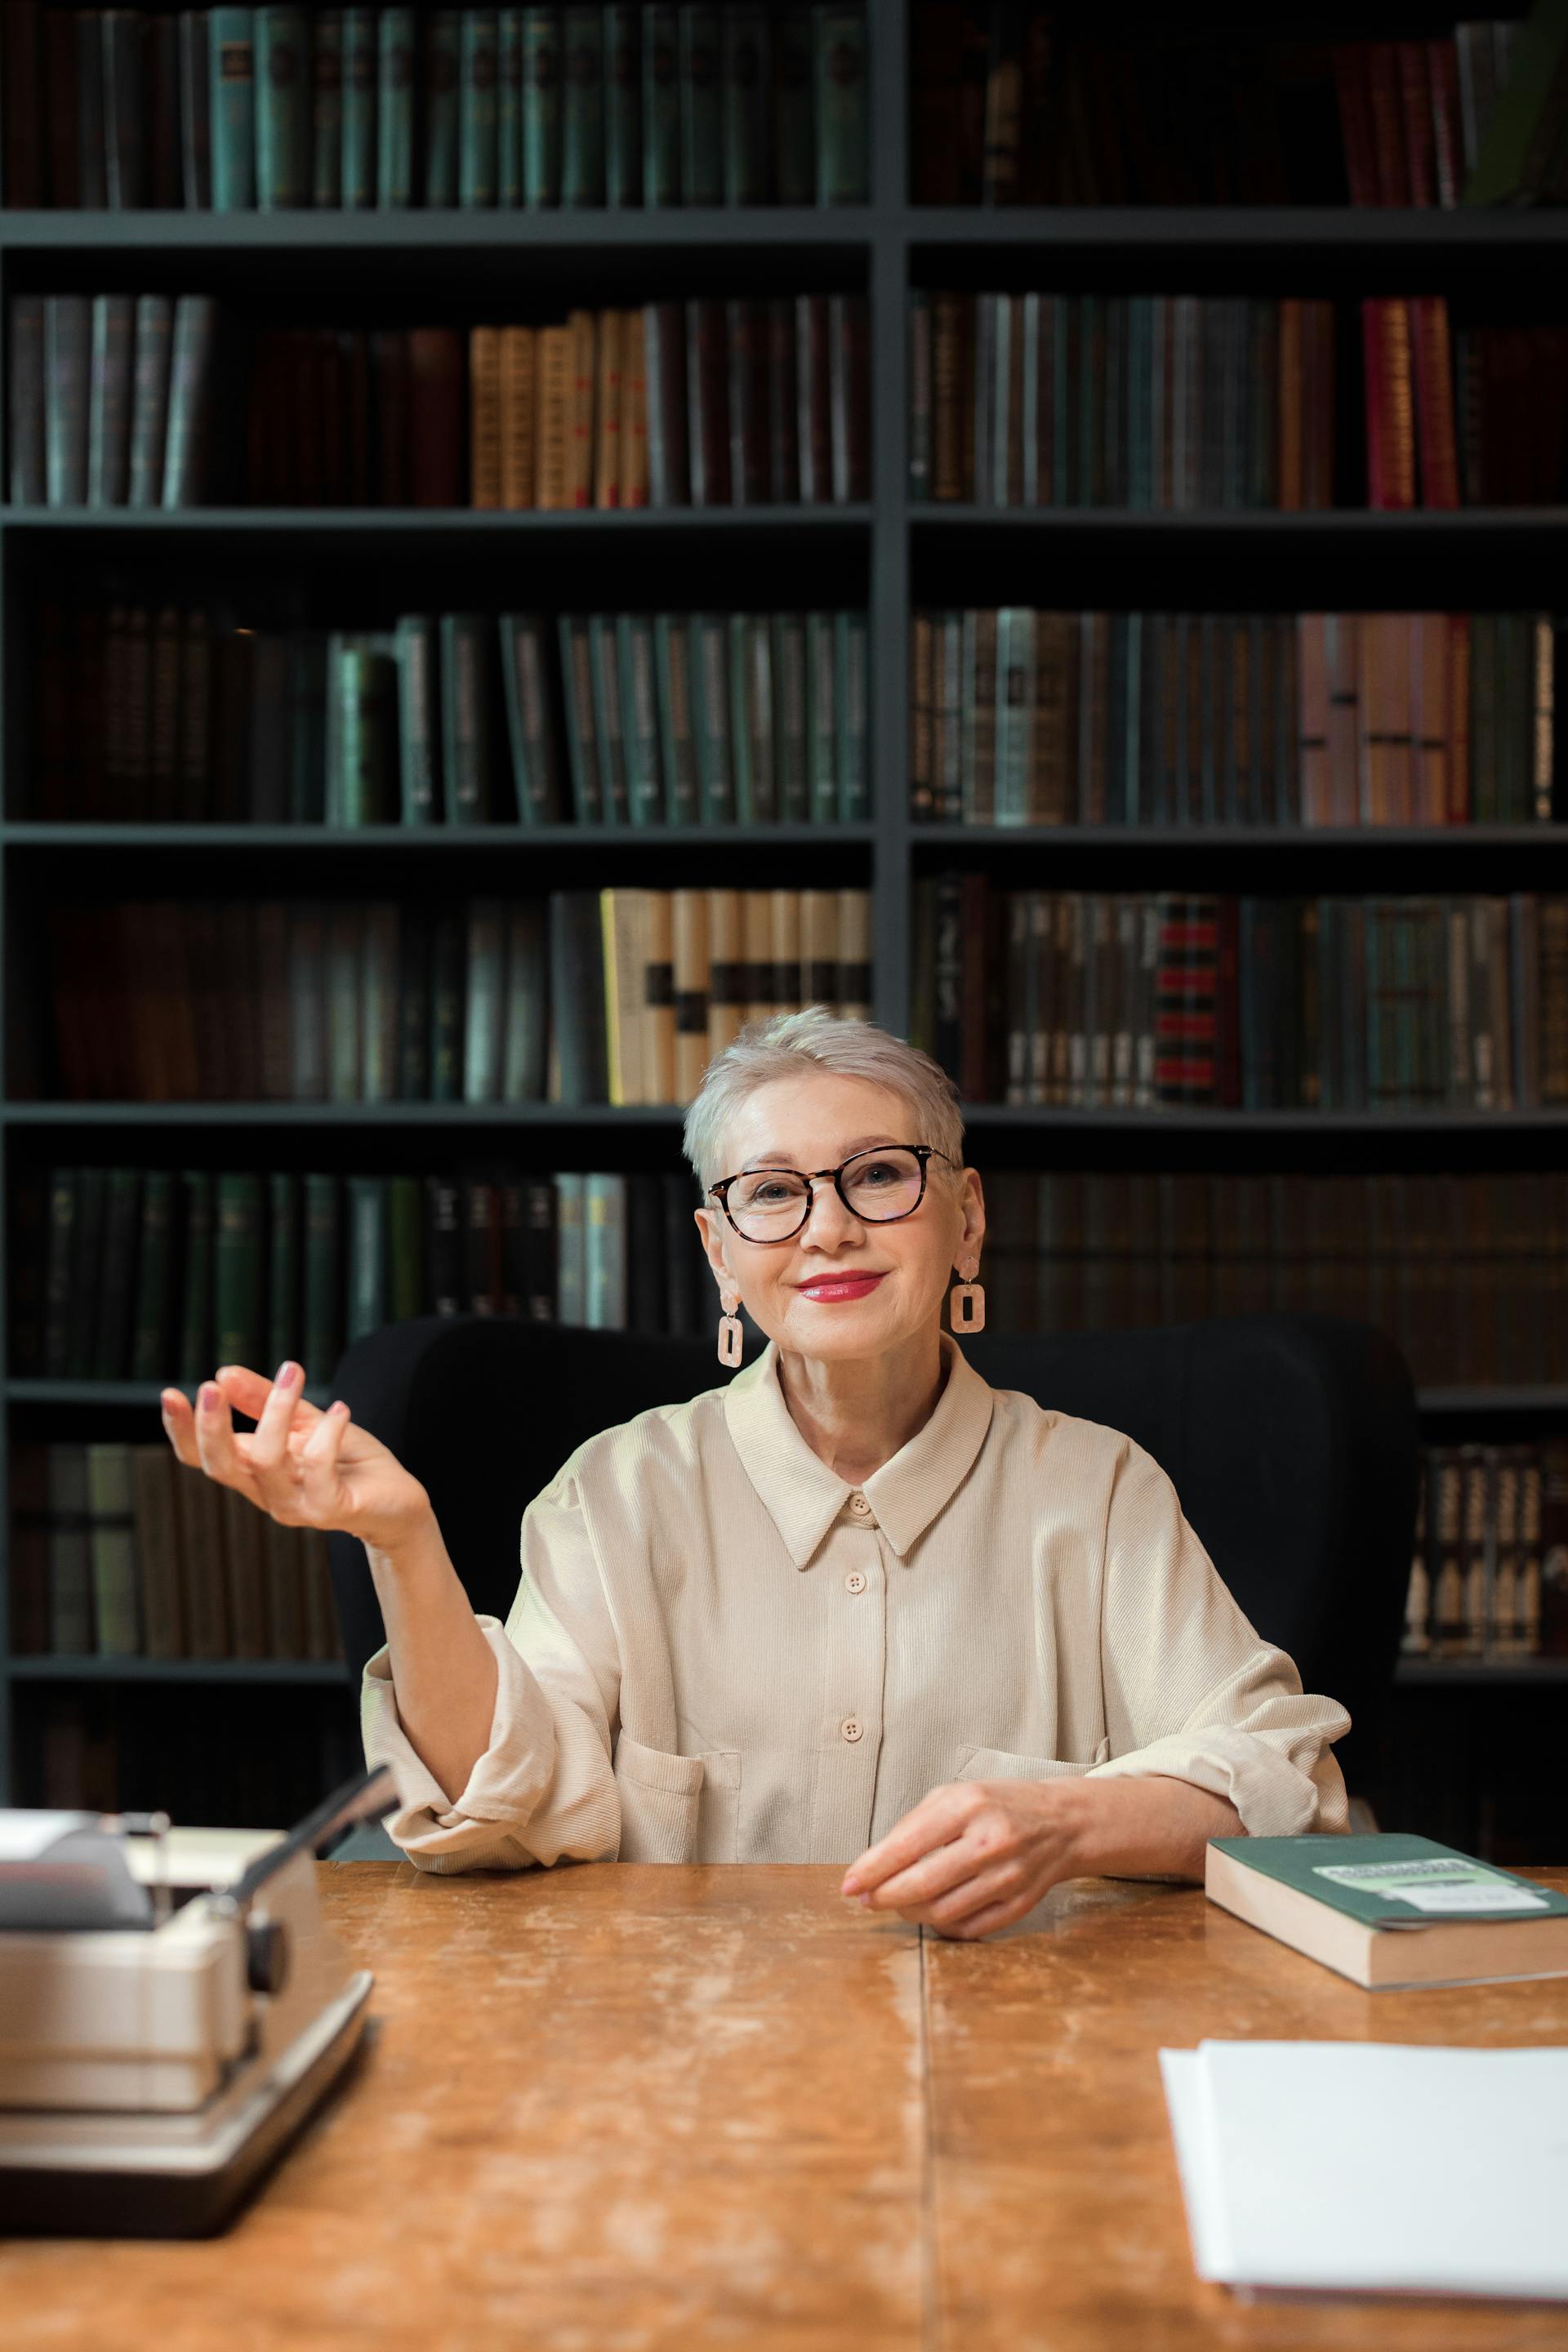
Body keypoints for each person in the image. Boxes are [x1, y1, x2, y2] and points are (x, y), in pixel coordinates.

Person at [160, 1011, 1350, 1940]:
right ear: (721, 1254)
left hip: (1022, 2064)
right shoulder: (614, 1494)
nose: (827, 1230)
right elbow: (504, 1802)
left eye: (879, 1176)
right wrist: (404, 1543)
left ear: (967, 1221)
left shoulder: (1098, 1494)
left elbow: (1284, 1777)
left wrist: (1069, 1821)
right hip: (686, 2066)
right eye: (773, 1194)